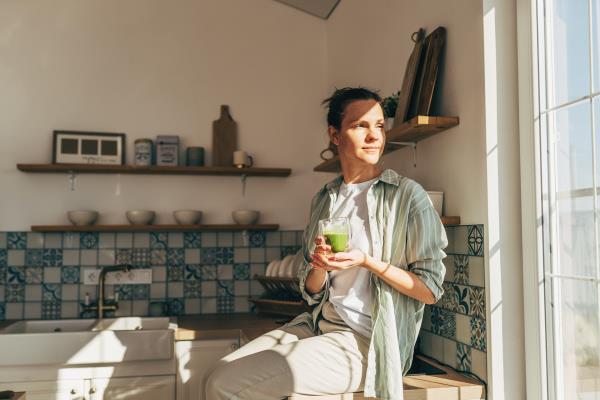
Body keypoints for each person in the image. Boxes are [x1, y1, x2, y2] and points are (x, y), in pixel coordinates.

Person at [205, 87, 447, 400]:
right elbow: (312, 291)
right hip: (316, 325)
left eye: (379, 126)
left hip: (366, 342)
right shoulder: (325, 198)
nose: (374, 136)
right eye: (361, 126)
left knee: (224, 385)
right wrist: (319, 266)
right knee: (216, 372)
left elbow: (429, 291)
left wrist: (367, 261)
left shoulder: (406, 196)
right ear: (335, 135)